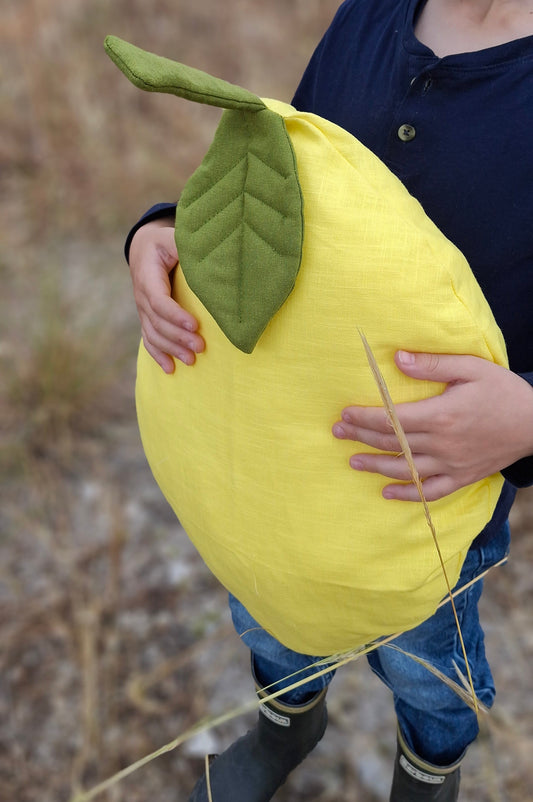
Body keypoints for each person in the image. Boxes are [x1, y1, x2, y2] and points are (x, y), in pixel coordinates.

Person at [125, 1, 533, 799]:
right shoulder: (373, 13)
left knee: (425, 666)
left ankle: (427, 772)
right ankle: (287, 725)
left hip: (435, 479)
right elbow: (298, 175)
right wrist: (166, 229)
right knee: (271, 611)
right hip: (282, 440)